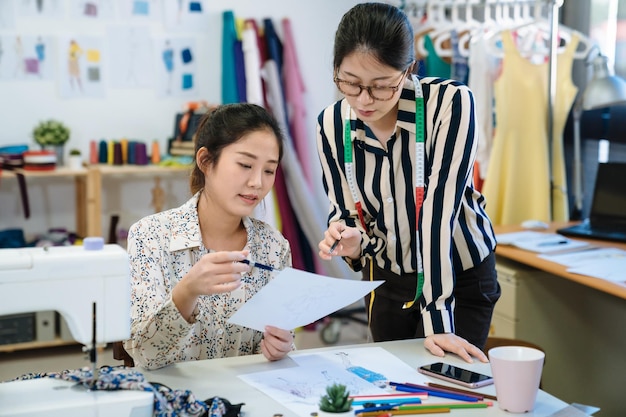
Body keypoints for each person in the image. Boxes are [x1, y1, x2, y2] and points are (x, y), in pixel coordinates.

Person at [316, 2, 500, 364]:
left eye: (382, 85)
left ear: (408, 70)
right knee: (395, 387)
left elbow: (437, 214)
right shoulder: (331, 124)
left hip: (457, 273)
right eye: (350, 83)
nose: (364, 100)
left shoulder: (450, 105)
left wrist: (439, 320)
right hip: (388, 277)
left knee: (444, 384)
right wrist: (350, 241)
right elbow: (346, 210)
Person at [124, 103, 294, 370]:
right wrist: (187, 291)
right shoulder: (150, 236)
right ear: (205, 161)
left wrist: (281, 347)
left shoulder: (274, 247)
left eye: (269, 170)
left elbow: (282, 341)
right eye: (245, 165)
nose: (257, 182)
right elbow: (145, 354)